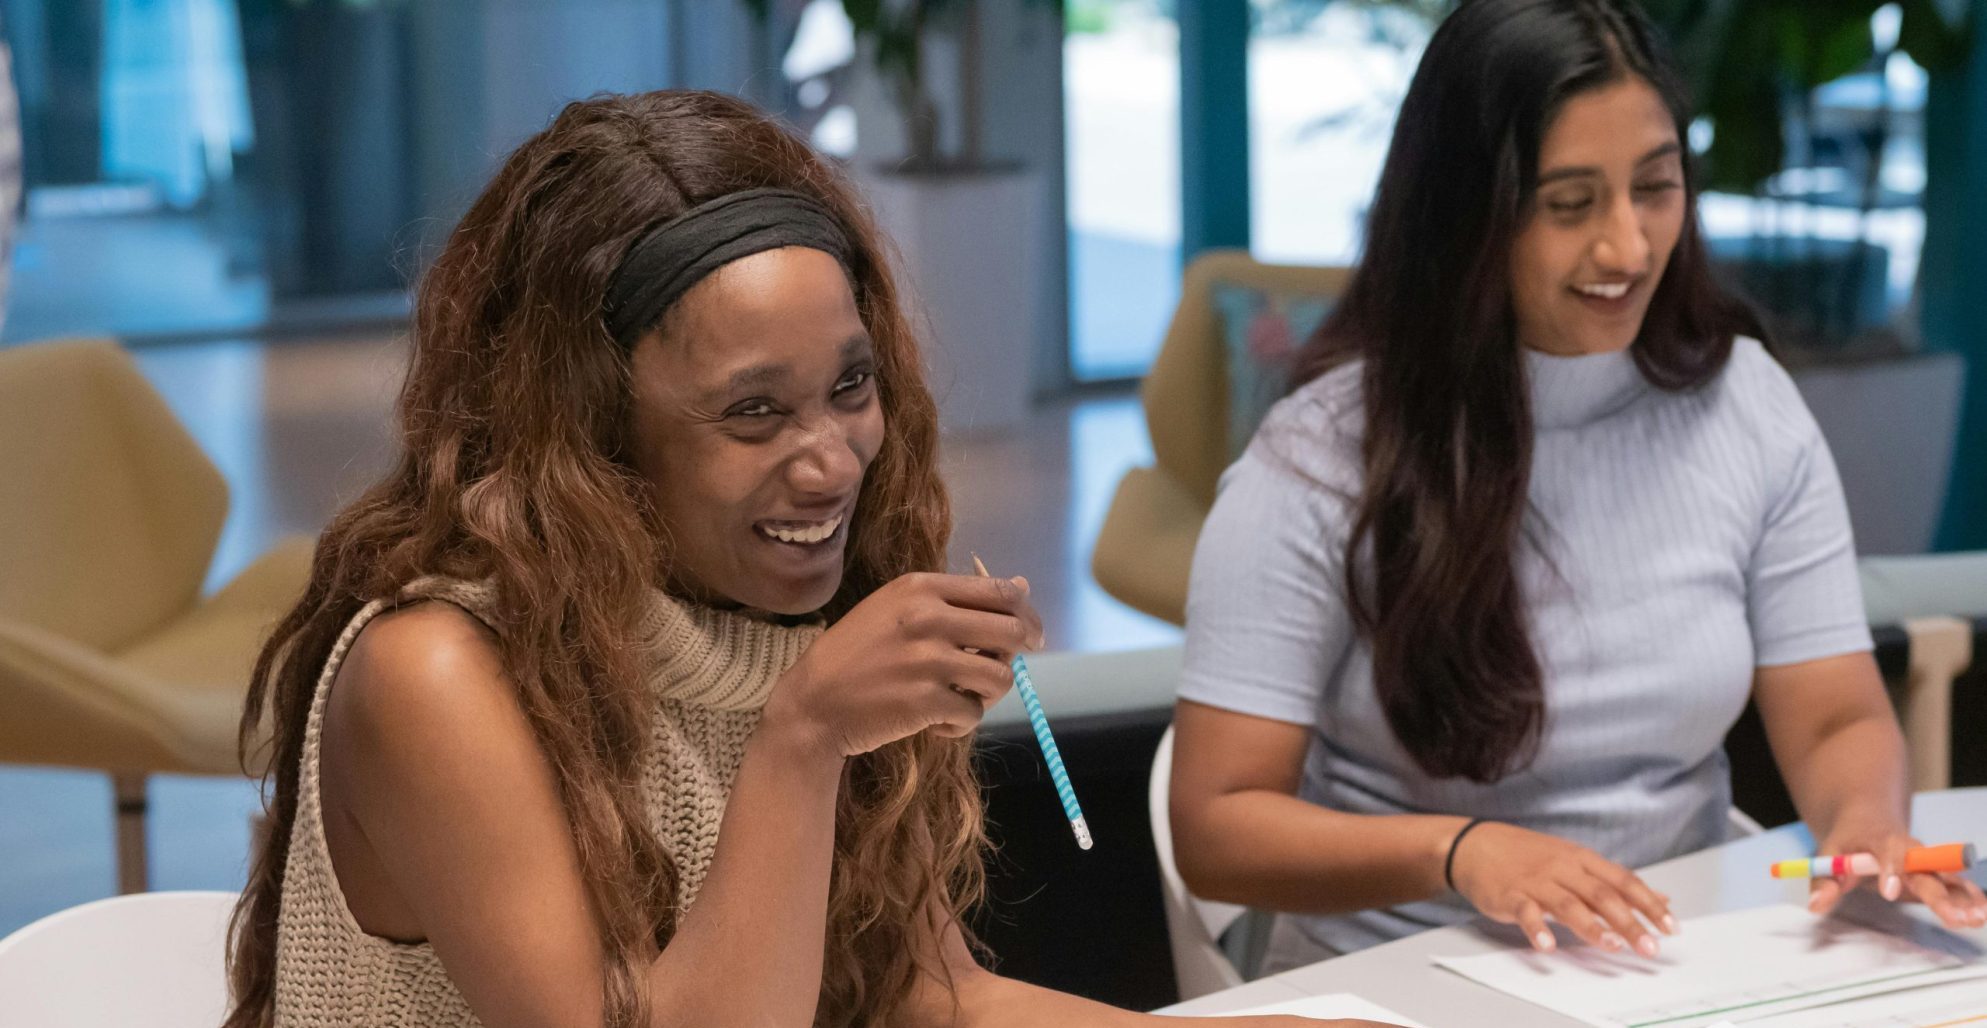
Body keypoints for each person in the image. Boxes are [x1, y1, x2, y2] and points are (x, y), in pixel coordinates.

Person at [221, 90, 1382, 1028]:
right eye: (752, 412)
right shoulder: (438, 673)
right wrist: (804, 737)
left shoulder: (804, 596)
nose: (832, 463)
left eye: (849, 386)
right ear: (588, 434)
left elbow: (929, 994)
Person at [1168, 0, 1987, 976]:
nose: (1628, 247)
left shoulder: (1745, 405)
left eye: (1654, 187)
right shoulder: (1318, 457)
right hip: (1396, 973)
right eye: (1569, 204)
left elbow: (1835, 716)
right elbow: (1215, 823)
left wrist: (1864, 834)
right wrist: (1459, 849)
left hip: (1676, 968)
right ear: (1466, 213)